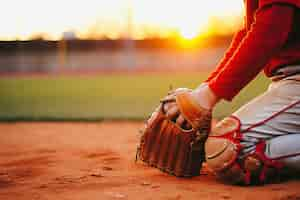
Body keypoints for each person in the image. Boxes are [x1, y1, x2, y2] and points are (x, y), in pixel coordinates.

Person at [164, 0, 300, 184]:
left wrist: (208, 95)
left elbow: (272, 27)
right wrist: (206, 88)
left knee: (228, 149)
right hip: (289, 82)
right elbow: (250, 29)